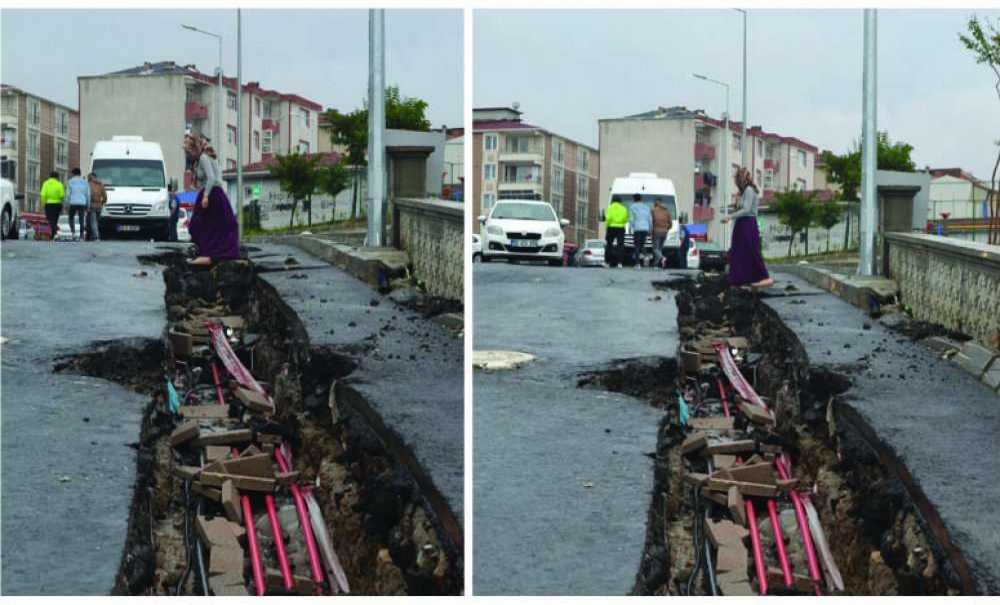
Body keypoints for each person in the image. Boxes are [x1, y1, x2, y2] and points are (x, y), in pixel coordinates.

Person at [185, 136, 239, 265]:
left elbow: (211, 178)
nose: (187, 154)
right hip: (215, 194)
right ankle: (208, 253)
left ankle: (209, 254)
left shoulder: (203, 158)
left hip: (211, 195)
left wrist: (205, 196)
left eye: (188, 151)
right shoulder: (205, 158)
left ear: (194, 149)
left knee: (197, 225)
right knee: (213, 226)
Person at [721, 167, 774, 289]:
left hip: (747, 224)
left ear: (742, 179)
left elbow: (746, 209)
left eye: (738, 179)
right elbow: (740, 208)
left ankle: (763, 277)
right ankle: (741, 279)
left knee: (750, 251)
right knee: (740, 251)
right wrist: (737, 200)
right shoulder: (745, 192)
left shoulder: (749, 190)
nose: (737, 182)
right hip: (743, 224)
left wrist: (730, 217)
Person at [604, 195, 629, 268]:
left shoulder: (610, 207)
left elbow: (608, 218)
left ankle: (607, 262)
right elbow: (626, 219)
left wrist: (607, 226)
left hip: (611, 227)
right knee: (620, 245)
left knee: (609, 245)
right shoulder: (624, 208)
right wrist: (622, 223)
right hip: (621, 228)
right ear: (620, 201)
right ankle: (620, 263)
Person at [66, 168, 90, 241]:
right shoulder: (85, 182)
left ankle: (73, 233)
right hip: (82, 202)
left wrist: (67, 203)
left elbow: (67, 194)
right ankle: (81, 235)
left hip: (73, 202)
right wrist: (88, 205)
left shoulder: (70, 181)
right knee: (81, 219)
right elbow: (88, 195)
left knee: (71, 218)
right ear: (80, 173)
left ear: (73, 174)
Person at [628, 194, 652, 268]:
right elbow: (650, 219)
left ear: (634, 199)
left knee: (637, 246)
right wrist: (650, 229)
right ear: (641, 199)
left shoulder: (632, 207)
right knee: (642, 244)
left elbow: (631, 219)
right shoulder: (646, 207)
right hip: (645, 228)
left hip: (637, 228)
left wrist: (630, 228)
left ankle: (637, 263)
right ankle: (646, 256)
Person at [40, 171, 65, 241]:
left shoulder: (46, 183)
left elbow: (43, 195)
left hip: (49, 204)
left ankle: (55, 232)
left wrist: (43, 204)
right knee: (55, 220)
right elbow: (62, 196)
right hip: (58, 204)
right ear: (57, 177)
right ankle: (53, 235)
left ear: (49, 176)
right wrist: (62, 205)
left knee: (50, 219)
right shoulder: (60, 184)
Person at [651, 198, 672, 269]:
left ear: (655, 203)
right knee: (659, 249)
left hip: (656, 232)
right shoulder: (667, 211)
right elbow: (670, 223)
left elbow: (651, 222)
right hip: (665, 232)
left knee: (655, 249)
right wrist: (666, 228)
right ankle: (655, 265)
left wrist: (651, 230)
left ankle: (662, 257)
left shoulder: (653, 210)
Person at [87, 173, 107, 241]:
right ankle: (93, 235)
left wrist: (87, 204)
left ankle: (96, 236)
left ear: (90, 177)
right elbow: (105, 196)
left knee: (93, 221)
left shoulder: (89, 184)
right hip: (99, 206)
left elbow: (88, 195)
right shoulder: (101, 184)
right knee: (96, 221)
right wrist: (102, 203)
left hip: (91, 205)